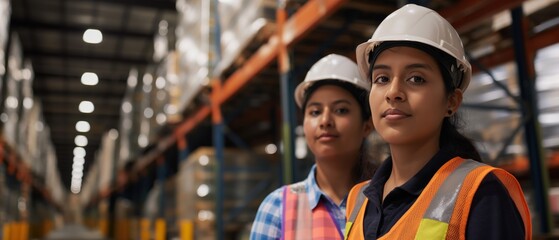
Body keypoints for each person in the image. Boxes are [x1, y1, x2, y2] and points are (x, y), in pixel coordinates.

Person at [344, 4, 531, 240]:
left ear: (451, 101)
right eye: (382, 78)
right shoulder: (358, 199)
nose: (393, 92)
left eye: (416, 78)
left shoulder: (481, 193)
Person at [250, 54, 375, 240]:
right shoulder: (278, 209)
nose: (325, 121)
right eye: (315, 112)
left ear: (366, 125)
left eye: (341, 110)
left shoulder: (387, 200)